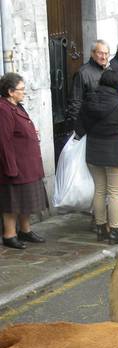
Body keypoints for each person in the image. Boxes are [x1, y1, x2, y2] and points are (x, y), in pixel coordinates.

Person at [81, 70, 118, 244]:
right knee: (114, 193)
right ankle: (114, 232)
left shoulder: (88, 100)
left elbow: (80, 125)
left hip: (93, 149)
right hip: (113, 151)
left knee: (99, 190)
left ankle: (100, 229)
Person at [0, 73, 47, 250]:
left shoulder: (17, 106)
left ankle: (25, 231)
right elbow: (3, 141)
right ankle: (9, 234)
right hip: (15, 166)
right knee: (12, 203)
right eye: (21, 89)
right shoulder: (3, 109)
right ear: (10, 91)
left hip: (28, 166)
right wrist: (10, 167)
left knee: (25, 202)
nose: (24, 92)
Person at [64, 39, 109, 150]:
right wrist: (80, 130)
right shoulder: (83, 73)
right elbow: (75, 102)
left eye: (106, 53)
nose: (104, 57)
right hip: (89, 128)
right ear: (92, 53)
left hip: (106, 127)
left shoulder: (108, 70)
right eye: (100, 53)